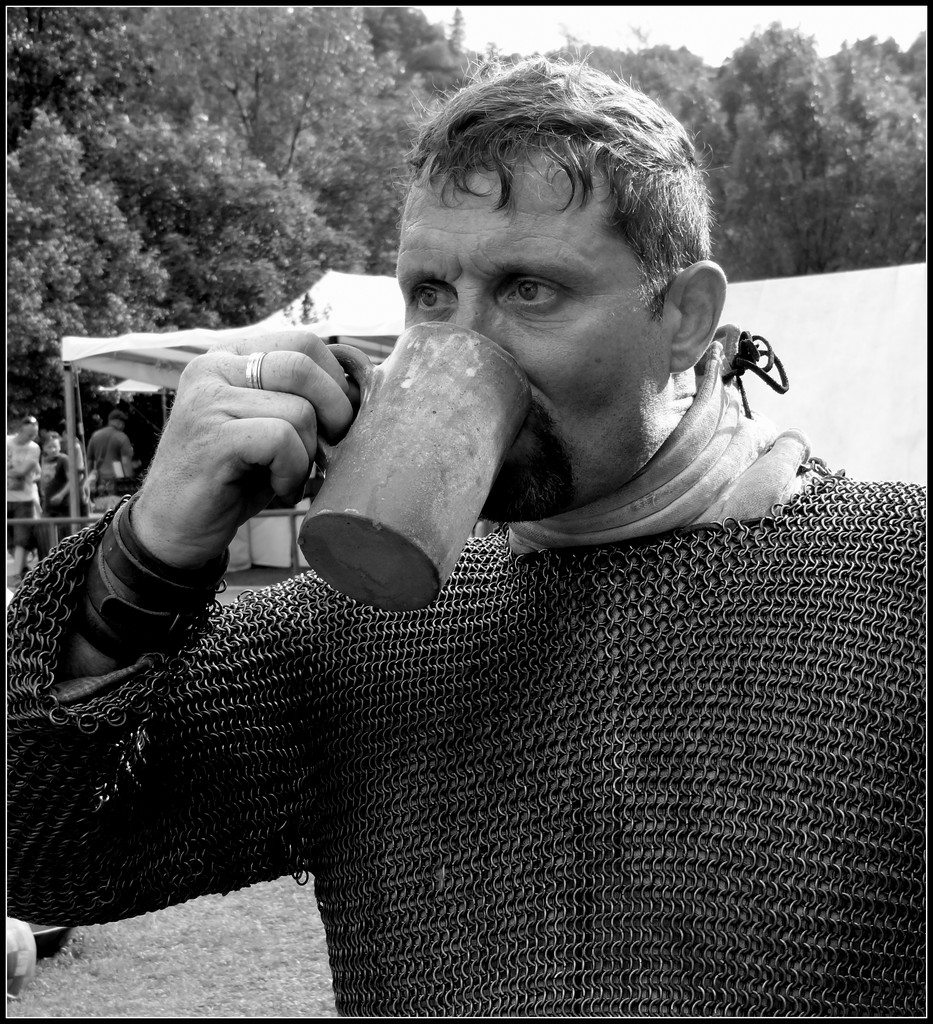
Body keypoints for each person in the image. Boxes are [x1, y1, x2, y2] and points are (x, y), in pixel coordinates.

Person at [6, 58, 924, 1017]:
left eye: (529, 289)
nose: (460, 342)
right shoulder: (356, 632)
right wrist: (147, 555)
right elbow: (38, 857)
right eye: (431, 296)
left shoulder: (900, 582)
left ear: (685, 318)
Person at [6, 414, 43, 584]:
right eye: (29, 434)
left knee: (22, 540)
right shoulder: (8, 442)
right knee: (10, 542)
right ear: (20, 430)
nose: (32, 437)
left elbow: (22, 471)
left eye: (34, 434)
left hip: (24, 499)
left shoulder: (34, 448)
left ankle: (17, 574)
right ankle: (23, 571)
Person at [38, 430, 84, 547]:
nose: (53, 450)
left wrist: (61, 494)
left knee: (65, 537)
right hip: (48, 504)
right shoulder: (43, 460)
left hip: (63, 504)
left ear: (59, 446)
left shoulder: (63, 459)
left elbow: (72, 480)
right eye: (50, 447)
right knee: (47, 536)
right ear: (44, 448)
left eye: (55, 446)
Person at [85, 407, 135, 512]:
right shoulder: (122, 437)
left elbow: (89, 461)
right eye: (123, 423)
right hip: (117, 484)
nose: (123, 426)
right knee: (117, 514)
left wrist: (90, 480)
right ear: (119, 422)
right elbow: (125, 463)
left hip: (99, 484)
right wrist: (129, 485)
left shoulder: (95, 436)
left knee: (100, 515)